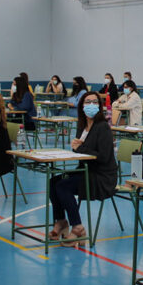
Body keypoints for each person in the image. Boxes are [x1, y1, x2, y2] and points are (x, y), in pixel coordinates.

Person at [47, 92, 118, 246]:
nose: (91, 105)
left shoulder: (103, 127)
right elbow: (81, 151)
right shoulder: (83, 126)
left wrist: (80, 148)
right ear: (82, 106)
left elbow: (103, 157)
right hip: (85, 170)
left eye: (94, 102)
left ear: (99, 106)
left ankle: (78, 227)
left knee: (63, 186)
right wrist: (76, 148)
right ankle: (61, 221)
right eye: (87, 102)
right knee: (53, 181)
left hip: (101, 176)